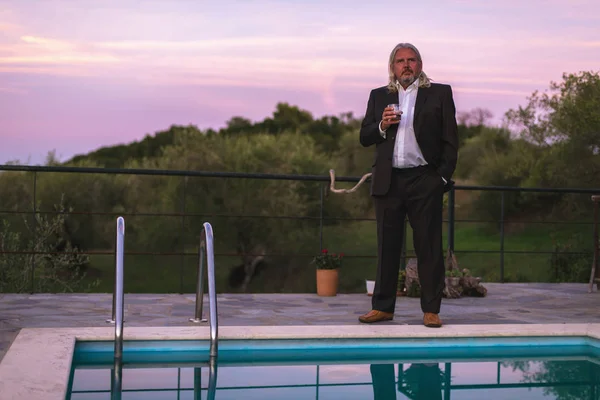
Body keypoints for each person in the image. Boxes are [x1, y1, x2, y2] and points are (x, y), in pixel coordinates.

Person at [358, 42, 458, 328]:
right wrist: (381, 126)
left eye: (412, 60)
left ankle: (431, 309)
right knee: (387, 246)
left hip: (424, 179)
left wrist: (439, 178)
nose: (406, 65)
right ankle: (382, 308)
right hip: (388, 181)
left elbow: (451, 140)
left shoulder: (439, 93)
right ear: (392, 67)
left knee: (428, 246)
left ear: (420, 64)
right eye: (400, 61)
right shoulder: (379, 96)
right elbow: (365, 136)